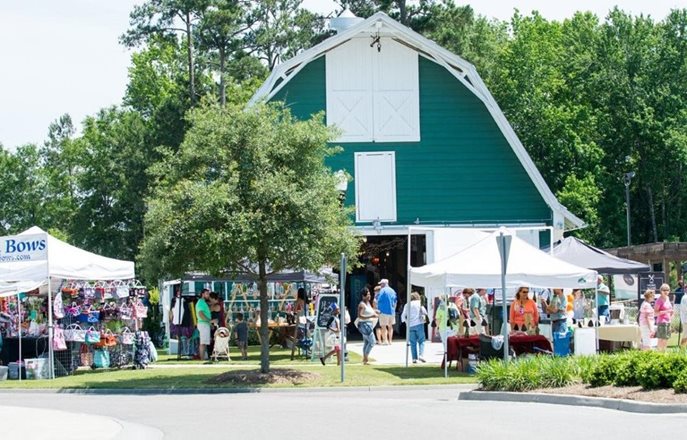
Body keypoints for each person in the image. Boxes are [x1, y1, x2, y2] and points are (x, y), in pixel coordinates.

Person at [401, 291, 428, 364]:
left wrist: (406, 322)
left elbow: (403, 316)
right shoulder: (419, 303)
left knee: (412, 342)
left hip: (410, 325)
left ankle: (414, 358)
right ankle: (421, 355)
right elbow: (425, 312)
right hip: (419, 324)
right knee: (421, 340)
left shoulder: (407, 304)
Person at [357, 287, 379, 365]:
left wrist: (375, 312)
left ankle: (365, 359)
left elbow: (369, 311)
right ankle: (365, 357)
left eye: (369, 294)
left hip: (368, 324)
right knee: (372, 342)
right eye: (368, 295)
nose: (369, 296)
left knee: (366, 342)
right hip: (365, 325)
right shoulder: (362, 305)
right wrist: (371, 316)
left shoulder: (368, 303)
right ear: (363, 296)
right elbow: (360, 316)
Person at [376, 279, 397, 345]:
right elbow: (395, 300)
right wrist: (394, 308)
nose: (380, 285)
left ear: (383, 284)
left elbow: (378, 299)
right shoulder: (392, 290)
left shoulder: (382, 290)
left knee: (383, 326)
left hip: (383, 311)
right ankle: (390, 340)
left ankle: (385, 340)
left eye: (381, 284)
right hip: (392, 311)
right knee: (390, 326)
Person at [654, 283, 673, 352]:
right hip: (662, 322)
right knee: (661, 339)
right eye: (664, 290)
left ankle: (664, 354)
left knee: (666, 339)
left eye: (667, 290)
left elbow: (670, 311)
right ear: (661, 291)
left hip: (668, 322)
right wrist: (666, 311)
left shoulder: (667, 298)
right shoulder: (659, 300)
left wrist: (671, 319)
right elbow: (655, 313)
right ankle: (659, 354)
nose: (666, 291)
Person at [196, 288, 212, 361]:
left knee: (204, 342)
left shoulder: (203, 302)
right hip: (203, 324)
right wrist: (210, 321)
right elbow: (200, 314)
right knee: (203, 343)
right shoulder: (201, 302)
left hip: (205, 324)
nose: (208, 295)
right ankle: (202, 359)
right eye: (207, 294)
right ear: (202, 294)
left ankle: (204, 358)